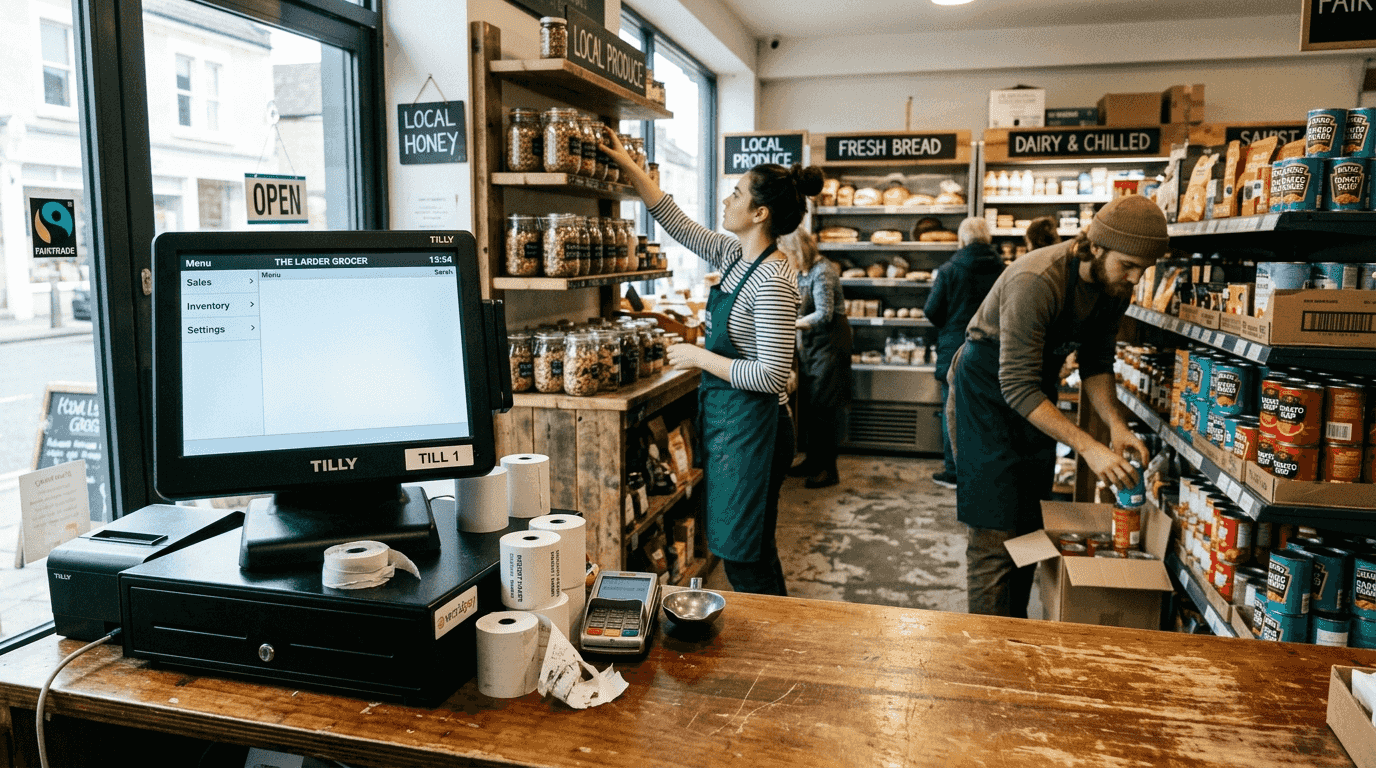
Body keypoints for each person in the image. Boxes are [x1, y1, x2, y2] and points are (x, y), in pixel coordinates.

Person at [602, 129, 819, 596]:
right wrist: (629, 166)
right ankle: (775, 639)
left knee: (746, 557)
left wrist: (700, 357)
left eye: (736, 193)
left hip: (757, 430)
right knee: (745, 549)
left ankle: (778, 646)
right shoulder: (733, 255)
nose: (726, 198)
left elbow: (772, 375)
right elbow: (674, 221)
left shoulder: (775, 280)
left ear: (760, 213)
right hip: (731, 425)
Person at [949, 194, 1163, 618]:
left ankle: (1014, 629)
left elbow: (1097, 364)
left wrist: (1116, 429)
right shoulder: (1038, 278)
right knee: (995, 532)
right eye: (1129, 265)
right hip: (988, 391)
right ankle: (986, 650)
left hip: (1032, 392)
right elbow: (1016, 385)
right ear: (1096, 247)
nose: (1135, 279)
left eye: (1145, 269)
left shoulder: (1111, 286)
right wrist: (1088, 447)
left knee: (1029, 522)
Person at [923, 217, 1003, 490]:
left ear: (962, 239)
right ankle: (982, 471)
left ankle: (954, 472)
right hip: (992, 347)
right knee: (986, 411)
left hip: (955, 346)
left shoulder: (949, 270)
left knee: (952, 410)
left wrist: (951, 323)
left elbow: (932, 311)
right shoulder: (1003, 269)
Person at [780, 228, 851, 489]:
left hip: (829, 346)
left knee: (824, 409)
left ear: (798, 252)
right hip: (811, 347)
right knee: (810, 406)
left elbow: (824, 315)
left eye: (788, 255)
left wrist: (791, 324)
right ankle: (812, 461)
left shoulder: (823, 272)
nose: (786, 260)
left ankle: (828, 470)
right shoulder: (803, 272)